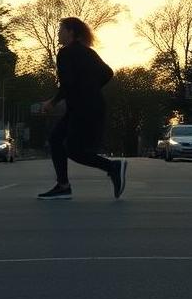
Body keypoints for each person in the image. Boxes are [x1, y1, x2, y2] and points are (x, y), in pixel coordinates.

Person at [37, 17, 127, 200]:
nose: (58, 33)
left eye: (61, 30)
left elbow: (67, 84)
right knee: (56, 139)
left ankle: (112, 167)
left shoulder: (65, 53)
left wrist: (52, 102)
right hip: (89, 105)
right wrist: (91, 88)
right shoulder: (88, 52)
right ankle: (63, 186)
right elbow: (108, 73)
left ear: (71, 32)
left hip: (83, 108)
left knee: (74, 150)